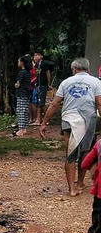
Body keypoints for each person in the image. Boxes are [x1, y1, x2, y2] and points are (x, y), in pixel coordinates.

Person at [40, 58, 101, 196]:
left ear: (74, 69)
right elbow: (99, 103)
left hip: (69, 119)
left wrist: (44, 123)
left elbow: (54, 104)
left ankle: (71, 189)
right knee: (85, 152)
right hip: (88, 120)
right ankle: (79, 183)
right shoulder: (96, 82)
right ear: (88, 69)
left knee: (70, 153)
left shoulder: (66, 82)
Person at [80, 139, 101, 233]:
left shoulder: (99, 144)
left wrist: (95, 165)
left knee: (96, 228)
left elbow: (84, 164)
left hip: (100, 196)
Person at [30, 51, 53, 125]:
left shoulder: (43, 63)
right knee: (38, 102)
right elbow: (37, 75)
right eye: (35, 55)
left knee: (41, 102)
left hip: (43, 85)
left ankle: (39, 120)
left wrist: (48, 84)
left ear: (41, 56)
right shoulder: (36, 64)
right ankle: (42, 119)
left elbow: (47, 73)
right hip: (37, 85)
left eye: (37, 55)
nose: (36, 57)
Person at [14, 55, 33, 136]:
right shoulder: (28, 72)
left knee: (20, 111)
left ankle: (21, 129)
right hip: (26, 93)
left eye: (19, 61)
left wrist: (15, 85)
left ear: (22, 63)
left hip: (21, 94)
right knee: (25, 111)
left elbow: (18, 84)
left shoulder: (22, 72)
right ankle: (24, 128)